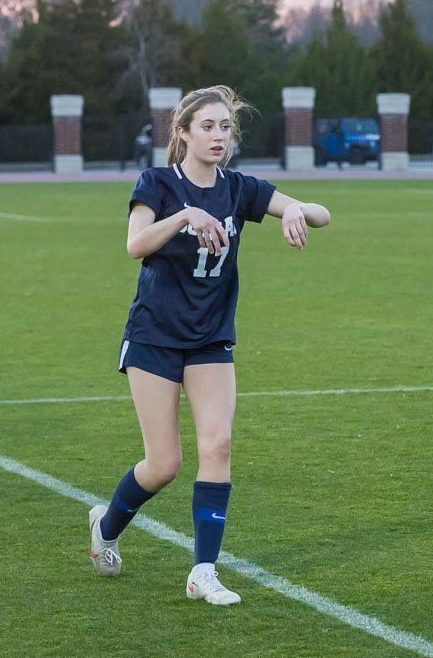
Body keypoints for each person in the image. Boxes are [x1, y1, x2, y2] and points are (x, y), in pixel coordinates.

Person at [89, 85, 330, 605]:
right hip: (154, 337)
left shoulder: (239, 189)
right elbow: (136, 245)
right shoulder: (156, 183)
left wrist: (297, 211)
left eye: (225, 127)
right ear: (182, 133)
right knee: (164, 465)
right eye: (207, 127)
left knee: (217, 445)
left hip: (211, 339)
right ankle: (105, 529)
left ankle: (203, 570)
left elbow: (322, 213)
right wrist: (184, 216)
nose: (218, 136)